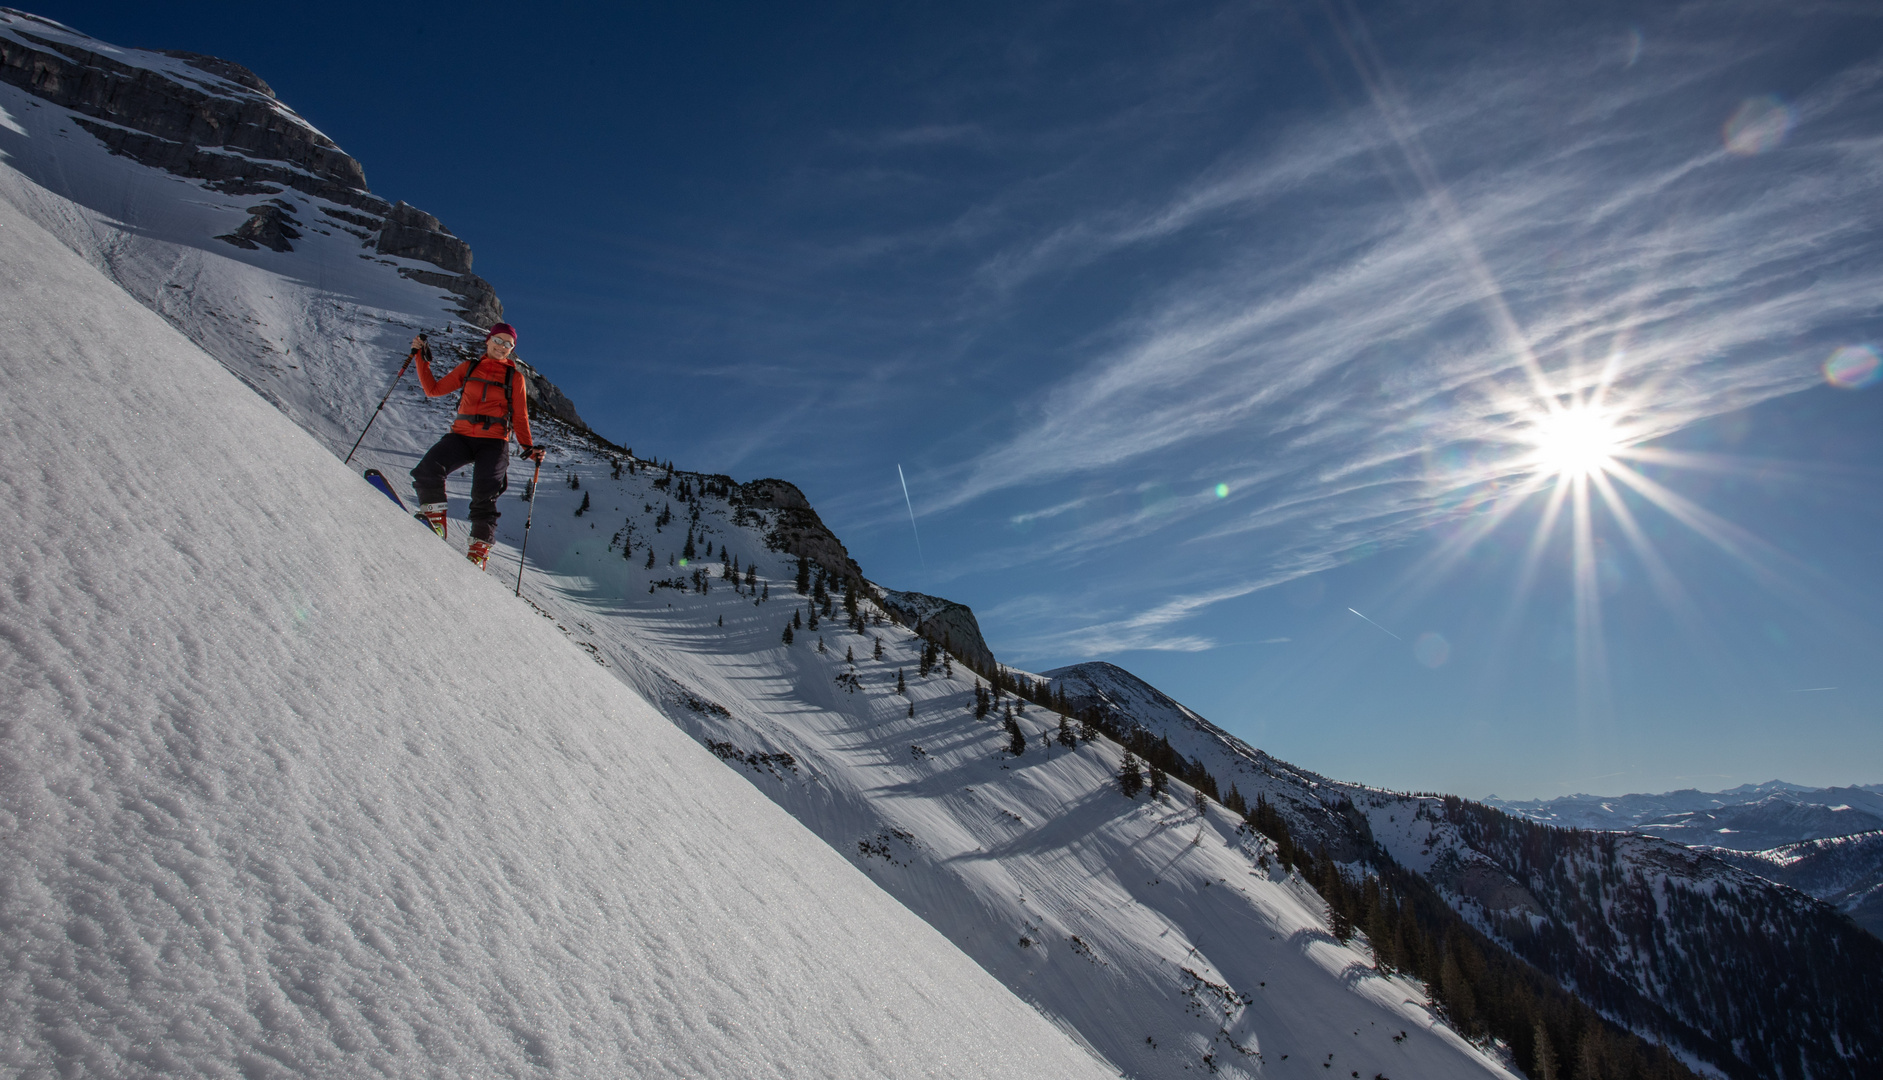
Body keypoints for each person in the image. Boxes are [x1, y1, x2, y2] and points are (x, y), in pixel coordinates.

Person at [409, 322, 544, 570]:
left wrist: (528, 447)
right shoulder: (469, 367)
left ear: (512, 350)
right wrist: (420, 358)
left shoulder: (515, 377)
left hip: (494, 442)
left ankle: (479, 550)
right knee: (427, 470)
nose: (502, 347)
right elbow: (433, 389)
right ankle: (435, 520)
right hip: (461, 436)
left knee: (485, 494)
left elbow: (520, 417)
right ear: (488, 340)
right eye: (499, 341)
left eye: (508, 344)